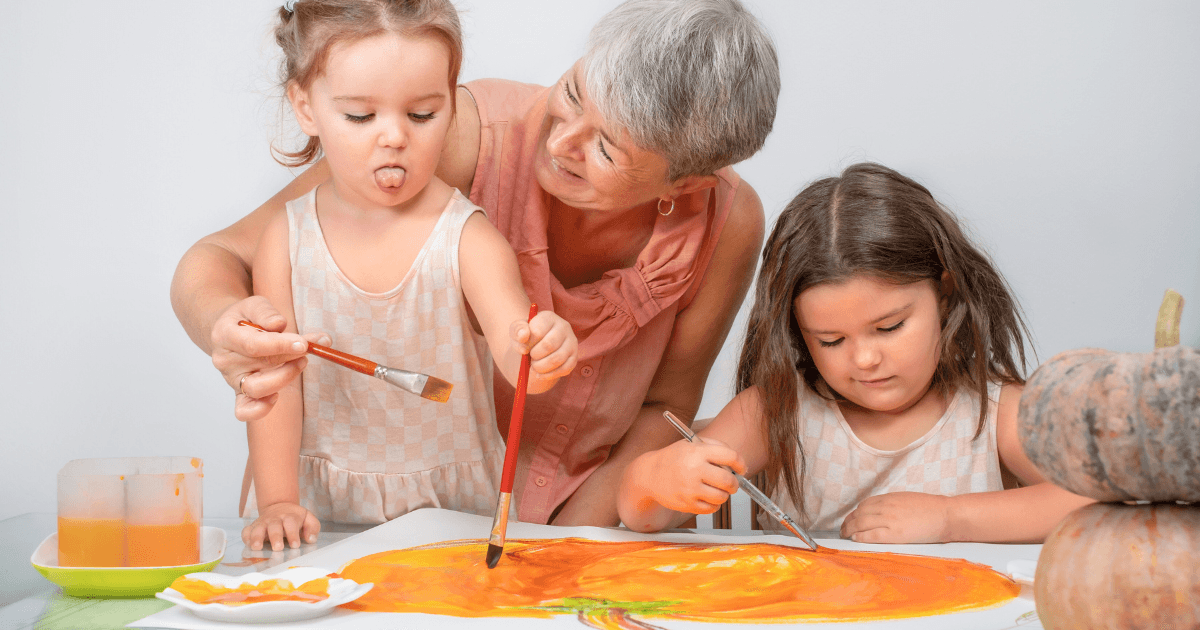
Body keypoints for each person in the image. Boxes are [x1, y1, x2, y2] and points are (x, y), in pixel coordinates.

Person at [171, 0, 779, 527]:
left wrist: (567, 542)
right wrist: (225, 322)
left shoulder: (728, 220)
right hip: (409, 513)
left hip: (585, 510)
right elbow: (217, 258)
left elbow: (663, 408)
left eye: (606, 148)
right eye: (572, 94)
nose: (560, 143)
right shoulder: (450, 132)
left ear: (691, 179)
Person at [241, 0, 579, 552]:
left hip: (454, 519)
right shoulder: (286, 238)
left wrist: (543, 353)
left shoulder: (468, 236)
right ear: (305, 106)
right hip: (317, 514)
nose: (394, 136)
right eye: (360, 116)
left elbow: (520, 362)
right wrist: (277, 500)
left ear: (451, 104)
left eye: (422, 114)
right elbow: (274, 382)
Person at [618, 163, 1094, 543]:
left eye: (889, 327)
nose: (864, 359)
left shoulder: (993, 412)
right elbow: (637, 513)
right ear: (797, 333)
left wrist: (952, 519)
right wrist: (659, 478)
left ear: (944, 295)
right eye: (831, 340)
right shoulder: (775, 411)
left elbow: (1091, 500)